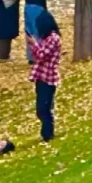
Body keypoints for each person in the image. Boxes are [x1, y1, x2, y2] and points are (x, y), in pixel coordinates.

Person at [29, 11, 61, 142]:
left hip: (48, 78)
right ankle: (46, 132)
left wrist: (33, 43)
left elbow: (42, 56)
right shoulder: (45, 39)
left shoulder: (53, 38)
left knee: (44, 108)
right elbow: (38, 56)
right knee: (41, 108)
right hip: (41, 77)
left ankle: (48, 134)